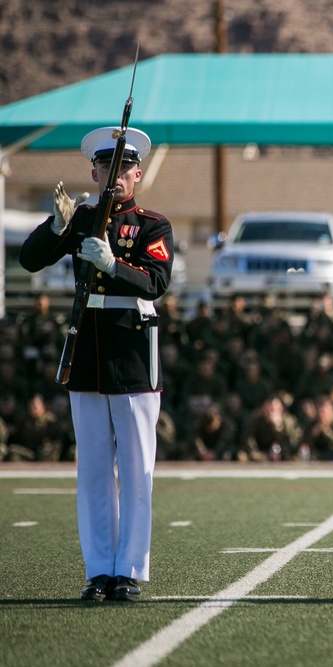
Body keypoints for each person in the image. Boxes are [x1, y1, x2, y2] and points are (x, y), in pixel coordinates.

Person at [18, 126, 173, 602]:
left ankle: (129, 570)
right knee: (92, 471)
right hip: (87, 352)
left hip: (131, 354)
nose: (116, 175)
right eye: (107, 167)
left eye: (124, 167)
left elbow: (155, 282)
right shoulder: (82, 218)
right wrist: (56, 227)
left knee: (136, 468)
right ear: (94, 173)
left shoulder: (152, 225)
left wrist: (112, 266)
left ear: (138, 174)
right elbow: (30, 260)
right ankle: (99, 570)